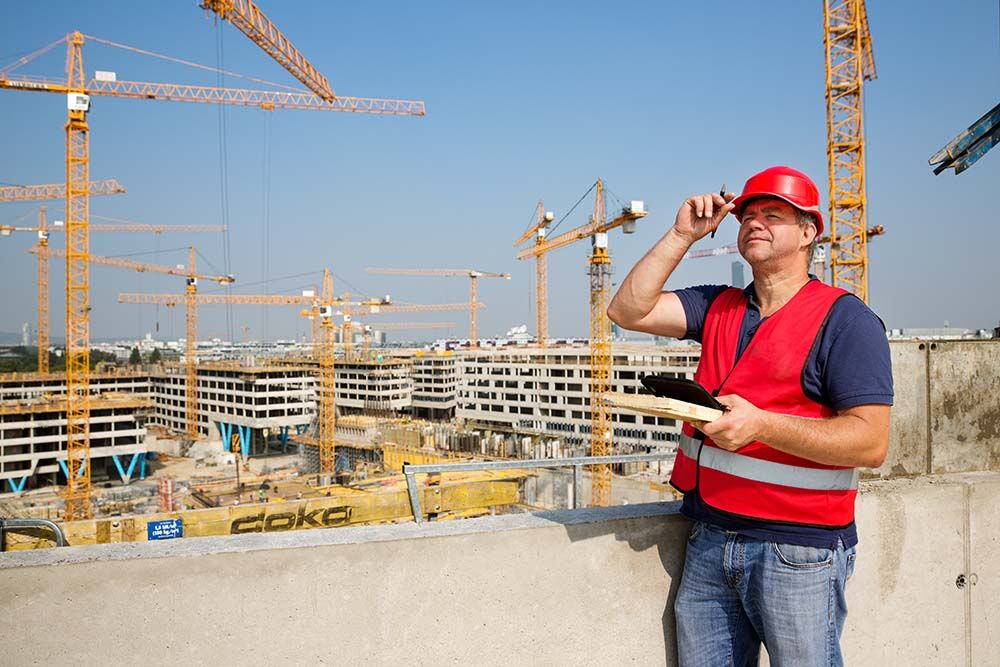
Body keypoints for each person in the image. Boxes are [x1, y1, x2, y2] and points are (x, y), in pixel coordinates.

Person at [607, 166, 893, 666]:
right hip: (711, 539)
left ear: (809, 233)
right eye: (748, 216)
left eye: (773, 215)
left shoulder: (846, 321)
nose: (755, 223)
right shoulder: (719, 304)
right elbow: (628, 311)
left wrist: (762, 425)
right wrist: (681, 235)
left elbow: (870, 443)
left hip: (798, 551)